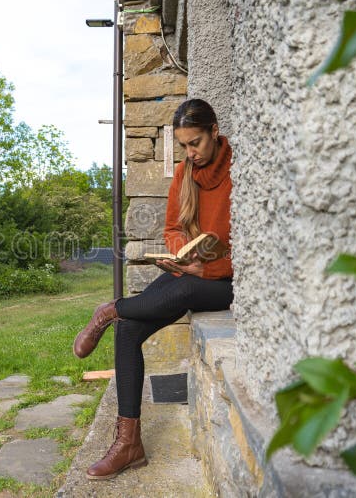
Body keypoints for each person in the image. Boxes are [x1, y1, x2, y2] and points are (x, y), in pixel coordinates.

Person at [73, 98, 234, 480]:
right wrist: (181, 255)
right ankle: (129, 446)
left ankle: (110, 310)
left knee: (187, 291)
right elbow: (173, 230)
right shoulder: (185, 174)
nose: (190, 153)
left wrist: (207, 267)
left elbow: (253, 247)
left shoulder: (239, 172)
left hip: (225, 283)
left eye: (195, 143)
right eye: (183, 146)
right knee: (130, 331)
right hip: (193, 271)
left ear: (214, 132)